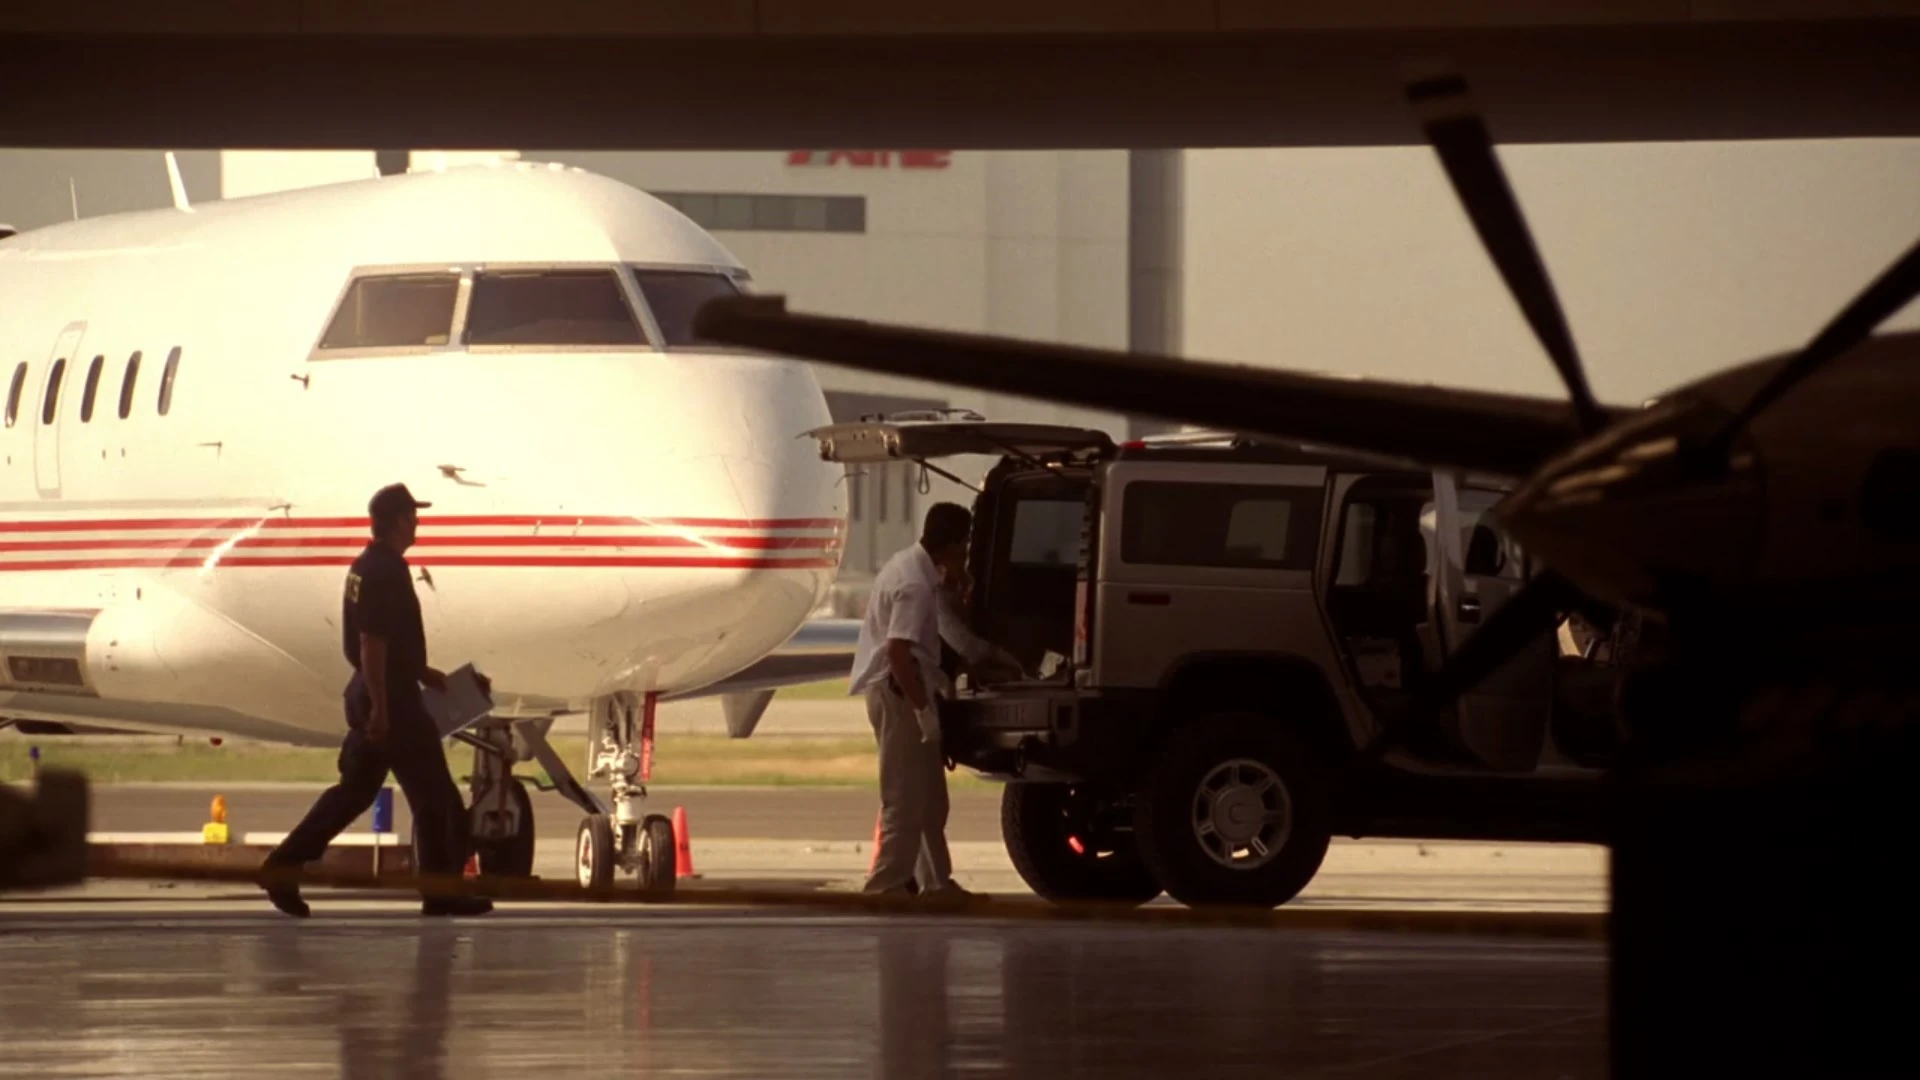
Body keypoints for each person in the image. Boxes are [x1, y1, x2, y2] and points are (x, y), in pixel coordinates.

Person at [262, 483, 492, 918]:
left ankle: (283, 866)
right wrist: (384, 711)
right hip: (391, 700)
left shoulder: (367, 566)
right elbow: (371, 642)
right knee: (437, 799)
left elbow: (383, 640)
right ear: (399, 521)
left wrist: (425, 673)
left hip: (377, 691)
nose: (417, 523)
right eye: (412, 516)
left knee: (355, 793)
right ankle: (441, 894)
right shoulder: (385, 570)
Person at [852, 502, 1021, 899]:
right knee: (904, 796)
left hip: (908, 688)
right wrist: (923, 710)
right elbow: (898, 652)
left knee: (929, 799)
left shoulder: (913, 568)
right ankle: (885, 886)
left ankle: (936, 884)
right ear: (955, 544)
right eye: (965, 544)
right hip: (899, 693)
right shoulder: (913, 584)